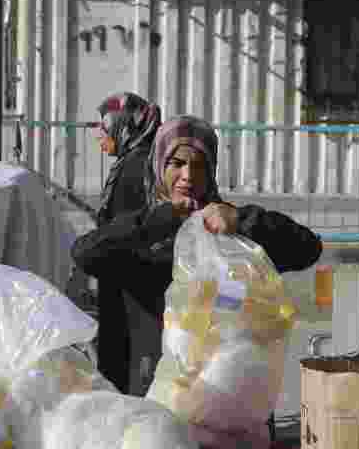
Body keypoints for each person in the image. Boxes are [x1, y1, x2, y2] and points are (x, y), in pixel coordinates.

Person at [72, 115, 323, 397]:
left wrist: (242, 220)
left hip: (225, 394)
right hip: (151, 391)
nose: (188, 176)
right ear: (158, 164)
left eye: (199, 165)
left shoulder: (227, 226)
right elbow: (84, 253)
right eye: (176, 164)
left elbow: (308, 248)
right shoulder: (142, 228)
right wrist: (160, 220)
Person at [90, 92, 162, 392]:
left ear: (122, 128)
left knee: (125, 365)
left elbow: (125, 229)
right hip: (128, 284)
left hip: (129, 288)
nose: (99, 139)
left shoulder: (136, 165)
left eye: (104, 132)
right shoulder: (136, 160)